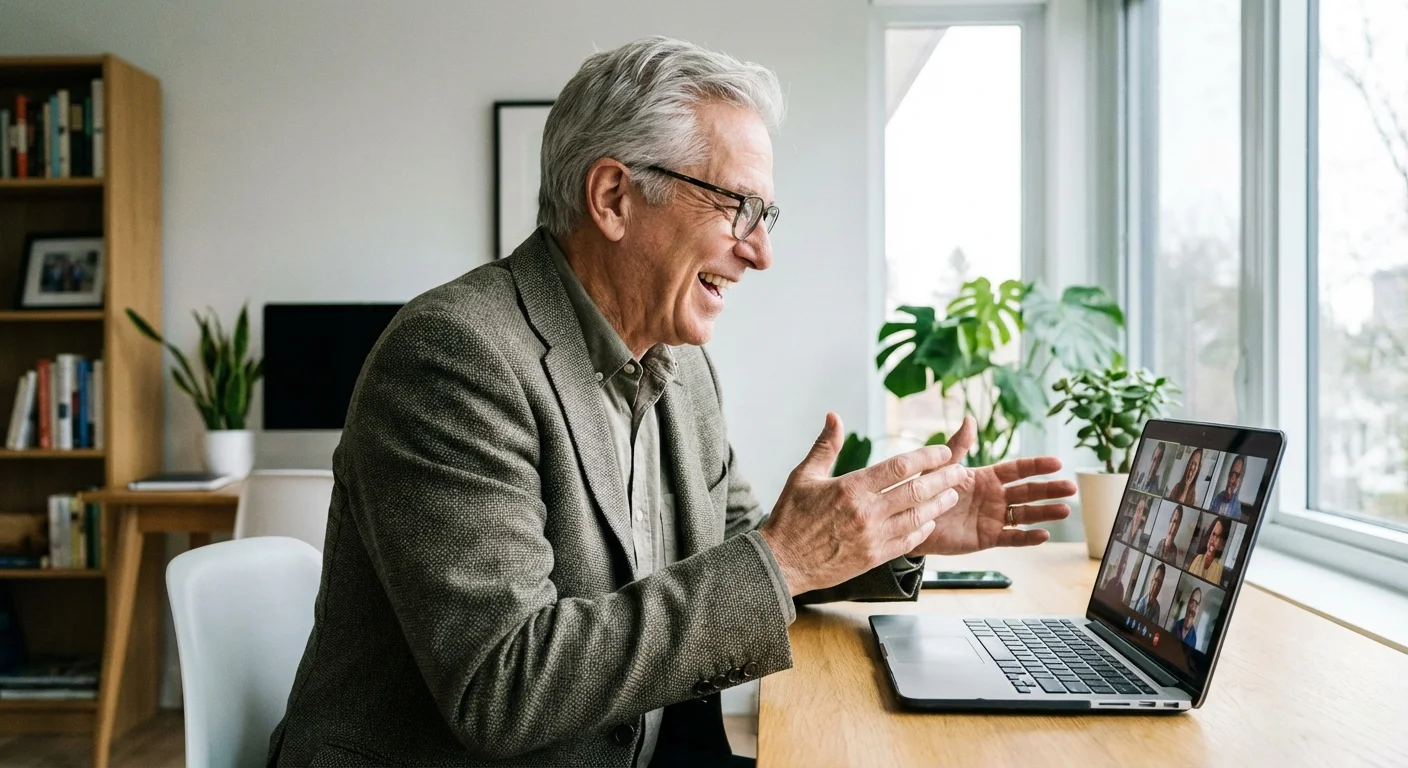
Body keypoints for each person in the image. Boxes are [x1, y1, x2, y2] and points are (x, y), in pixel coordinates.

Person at [266, 37, 1076, 768]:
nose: (760, 251)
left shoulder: (680, 368)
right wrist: (789, 557)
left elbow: (741, 553)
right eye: (738, 207)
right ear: (614, 198)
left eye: (767, 214)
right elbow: (503, 684)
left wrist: (883, 532)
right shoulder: (455, 357)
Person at [1188, 517, 1228, 583]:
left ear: (1223, 544)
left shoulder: (1221, 569)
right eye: (1213, 534)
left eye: (1218, 536)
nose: (1213, 540)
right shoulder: (1197, 558)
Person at [1207, 455, 1246, 519]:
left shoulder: (1238, 507)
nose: (1232, 480)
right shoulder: (1217, 497)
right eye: (1231, 474)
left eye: (1237, 476)